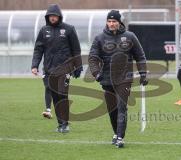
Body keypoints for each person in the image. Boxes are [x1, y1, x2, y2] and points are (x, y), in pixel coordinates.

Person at [88, 10, 148, 148]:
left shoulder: (130, 36)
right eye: (109, 21)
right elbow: (92, 58)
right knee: (112, 109)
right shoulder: (99, 38)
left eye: (114, 21)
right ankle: (116, 133)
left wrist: (143, 73)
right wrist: (96, 73)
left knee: (122, 107)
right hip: (106, 79)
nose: (111, 24)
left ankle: (120, 137)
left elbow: (140, 56)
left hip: (124, 78)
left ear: (119, 22)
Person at [31, 4, 82, 132]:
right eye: (50, 16)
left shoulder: (69, 29)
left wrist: (78, 66)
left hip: (65, 69)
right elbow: (38, 49)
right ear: (48, 17)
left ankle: (65, 124)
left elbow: (76, 49)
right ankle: (60, 124)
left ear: (59, 16)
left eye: (55, 16)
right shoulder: (44, 31)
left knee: (62, 95)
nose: (53, 18)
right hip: (49, 69)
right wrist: (34, 65)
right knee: (55, 96)